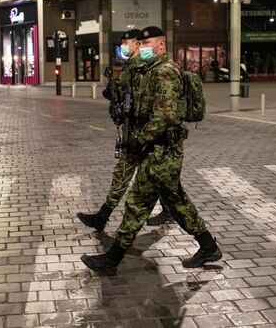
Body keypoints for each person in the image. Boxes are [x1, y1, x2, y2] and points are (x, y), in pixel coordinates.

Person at [81, 26, 221, 275]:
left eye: (148, 45)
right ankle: (208, 246)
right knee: (177, 201)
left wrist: (139, 139)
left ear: (161, 45)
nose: (143, 48)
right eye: (141, 45)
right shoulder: (148, 70)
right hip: (154, 148)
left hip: (162, 150)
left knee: (137, 202)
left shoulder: (166, 72)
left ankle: (111, 260)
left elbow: (165, 115)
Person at [77, 29, 174, 232]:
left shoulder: (146, 67)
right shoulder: (131, 65)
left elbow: (149, 102)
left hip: (145, 133)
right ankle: (104, 216)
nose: (123, 47)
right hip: (135, 130)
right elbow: (126, 93)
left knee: (154, 178)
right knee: (126, 172)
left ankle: (171, 215)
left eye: (127, 43)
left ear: (138, 44)